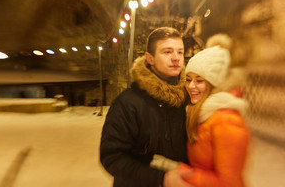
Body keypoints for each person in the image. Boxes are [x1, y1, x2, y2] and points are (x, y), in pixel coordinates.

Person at [150, 34, 250, 187]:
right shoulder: (202, 113)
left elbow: (229, 183)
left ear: (213, 83)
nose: (191, 86)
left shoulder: (227, 120)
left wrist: (178, 172)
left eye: (199, 80)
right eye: (188, 79)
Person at [100, 27, 192, 187]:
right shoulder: (128, 102)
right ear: (150, 59)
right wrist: (161, 178)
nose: (176, 58)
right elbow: (112, 156)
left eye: (180, 52)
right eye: (167, 52)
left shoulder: (187, 97)